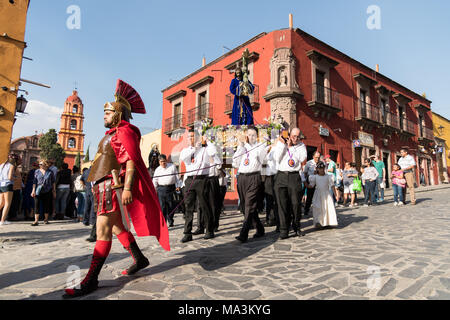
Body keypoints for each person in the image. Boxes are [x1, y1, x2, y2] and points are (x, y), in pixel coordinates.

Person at [64, 79, 169, 299]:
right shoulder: (113, 133)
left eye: (108, 112)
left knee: (103, 231)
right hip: (103, 186)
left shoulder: (125, 132)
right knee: (116, 227)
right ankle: (139, 258)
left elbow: (130, 161)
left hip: (112, 188)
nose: (104, 115)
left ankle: (91, 279)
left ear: (119, 114)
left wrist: (128, 188)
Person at [179, 130, 217, 242]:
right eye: (189, 137)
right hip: (190, 180)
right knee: (188, 206)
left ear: (197, 138)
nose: (190, 139)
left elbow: (213, 153)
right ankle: (187, 232)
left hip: (202, 179)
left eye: (193, 137)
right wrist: (194, 148)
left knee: (204, 205)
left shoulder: (205, 150)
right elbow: (183, 158)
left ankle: (209, 230)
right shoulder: (186, 150)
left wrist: (207, 141)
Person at [232, 127, 266, 242]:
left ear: (256, 136)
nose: (250, 137)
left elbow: (263, 160)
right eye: (249, 134)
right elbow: (235, 163)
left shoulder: (261, 146)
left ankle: (244, 233)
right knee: (247, 206)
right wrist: (240, 147)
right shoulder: (243, 147)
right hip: (242, 178)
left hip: (254, 177)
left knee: (249, 205)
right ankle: (260, 228)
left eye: (253, 135)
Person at [273, 128, 307, 239]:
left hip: (294, 176)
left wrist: (291, 148)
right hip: (281, 175)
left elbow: (302, 158)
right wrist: (283, 145)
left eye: (297, 136)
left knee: (296, 204)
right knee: (282, 205)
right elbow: (276, 158)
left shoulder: (301, 146)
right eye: (293, 136)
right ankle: (284, 230)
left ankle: (296, 226)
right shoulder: (280, 143)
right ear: (289, 135)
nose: (295, 138)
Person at [152, 154, 181, 227]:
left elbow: (177, 177)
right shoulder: (157, 170)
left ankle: (170, 220)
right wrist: (154, 190)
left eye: (164, 161)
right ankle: (163, 223)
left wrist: (178, 186)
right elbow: (155, 181)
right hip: (161, 189)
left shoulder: (172, 167)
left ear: (166, 161)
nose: (163, 163)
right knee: (163, 207)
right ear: (159, 162)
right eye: (161, 162)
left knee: (171, 206)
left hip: (171, 188)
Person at [308, 161, 338, 229]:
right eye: (319, 168)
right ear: (317, 169)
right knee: (318, 208)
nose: (321, 170)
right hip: (318, 194)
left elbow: (332, 185)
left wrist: (336, 194)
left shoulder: (328, 176)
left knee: (327, 207)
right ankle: (319, 222)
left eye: (322, 168)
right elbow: (311, 185)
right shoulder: (315, 177)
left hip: (326, 194)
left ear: (324, 168)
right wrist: (304, 182)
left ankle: (328, 222)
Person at [31, 160, 56, 226]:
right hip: (38, 190)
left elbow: (53, 182)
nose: (39, 165)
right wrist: (33, 190)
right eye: (39, 164)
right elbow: (34, 182)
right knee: (36, 205)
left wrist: (54, 191)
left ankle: (46, 219)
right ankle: (36, 221)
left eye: (41, 164)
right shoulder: (37, 171)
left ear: (45, 165)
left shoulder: (50, 172)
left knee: (46, 205)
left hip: (47, 190)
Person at [261, 143, 278, 229]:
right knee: (269, 199)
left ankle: (272, 219)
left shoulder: (275, 149)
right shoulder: (266, 152)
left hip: (274, 176)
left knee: (273, 200)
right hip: (267, 178)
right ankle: (270, 218)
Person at [0, 154, 19, 225]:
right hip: (8, 185)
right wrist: (15, 178)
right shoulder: (12, 165)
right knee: (7, 203)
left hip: (1, 184)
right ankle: (2, 220)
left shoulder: (2, 165)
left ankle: (2, 219)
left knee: (1, 203)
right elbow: (10, 177)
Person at [302, 151, 321, 216]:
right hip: (310, 181)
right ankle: (306, 210)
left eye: (318, 157)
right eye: (316, 157)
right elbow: (305, 173)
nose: (317, 159)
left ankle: (318, 211)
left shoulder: (321, 163)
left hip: (319, 181)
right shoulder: (309, 163)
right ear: (313, 157)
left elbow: (325, 172)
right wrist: (305, 182)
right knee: (309, 197)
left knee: (318, 197)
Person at [8, 156, 23, 221]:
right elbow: (10, 176)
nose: (21, 161)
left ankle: (13, 215)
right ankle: (12, 216)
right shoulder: (12, 167)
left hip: (17, 187)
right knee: (13, 202)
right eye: (20, 160)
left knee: (16, 202)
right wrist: (16, 179)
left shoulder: (16, 167)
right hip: (14, 188)